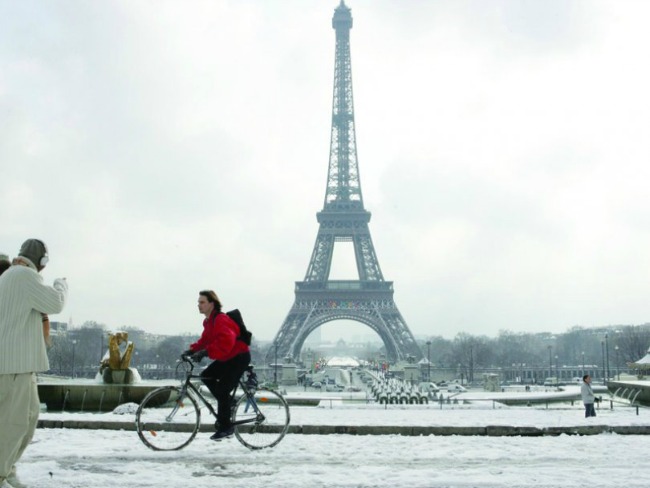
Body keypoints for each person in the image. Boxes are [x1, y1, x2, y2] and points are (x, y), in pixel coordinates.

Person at [0, 239, 68, 488]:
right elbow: (56, 303)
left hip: (20, 365)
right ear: (41, 261)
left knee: (27, 421)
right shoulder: (23, 276)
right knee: (13, 424)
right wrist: (61, 284)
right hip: (13, 366)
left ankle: (7, 469)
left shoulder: (11, 277)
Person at [184, 290, 250, 441]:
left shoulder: (220, 319)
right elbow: (205, 340)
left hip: (238, 357)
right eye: (198, 302)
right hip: (228, 357)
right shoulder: (209, 321)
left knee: (222, 389)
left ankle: (226, 427)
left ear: (211, 304)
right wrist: (192, 350)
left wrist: (205, 352)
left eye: (202, 302)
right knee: (206, 376)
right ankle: (228, 402)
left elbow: (226, 343)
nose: (198, 305)